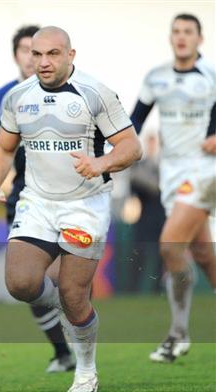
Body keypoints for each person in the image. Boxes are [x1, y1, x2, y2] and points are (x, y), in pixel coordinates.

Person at [0, 26, 142, 392]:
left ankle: (86, 371)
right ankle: (64, 306)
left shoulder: (96, 93)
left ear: (71, 55)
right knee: (20, 283)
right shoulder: (17, 97)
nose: (44, 62)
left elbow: (132, 147)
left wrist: (101, 163)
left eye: (52, 54)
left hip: (85, 204)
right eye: (37, 54)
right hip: (37, 202)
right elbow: (2, 148)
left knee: (75, 295)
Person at [0, 25, 75, 373]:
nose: (37, 58)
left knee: (65, 277)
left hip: (69, 196)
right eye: (29, 51)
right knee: (27, 281)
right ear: (19, 56)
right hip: (24, 196)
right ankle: (62, 352)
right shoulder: (5, 95)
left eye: (44, 51)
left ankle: (77, 333)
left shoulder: (75, 90)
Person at [131, 13, 216, 363]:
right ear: (171, 38)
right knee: (204, 256)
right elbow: (134, 120)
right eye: (176, 32)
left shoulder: (210, 76)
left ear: (200, 39)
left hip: (205, 172)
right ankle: (178, 334)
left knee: (169, 245)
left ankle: (177, 334)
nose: (181, 37)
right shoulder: (157, 77)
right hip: (171, 175)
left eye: (188, 32)